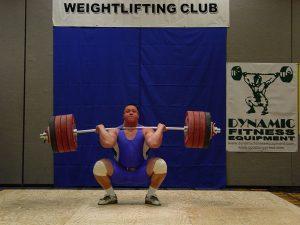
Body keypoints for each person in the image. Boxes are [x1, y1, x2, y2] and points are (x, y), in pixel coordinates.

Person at [93, 104, 167, 206]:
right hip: (119, 172)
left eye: (134, 111)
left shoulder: (146, 130)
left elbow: (154, 143)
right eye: (127, 111)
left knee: (161, 164)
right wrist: (101, 128)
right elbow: (108, 143)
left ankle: (151, 196)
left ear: (138, 115)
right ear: (123, 115)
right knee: (99, 166)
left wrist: (160, 128)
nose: (131, 112)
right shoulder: (115, 130)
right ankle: (111, 196)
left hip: (142, 172)